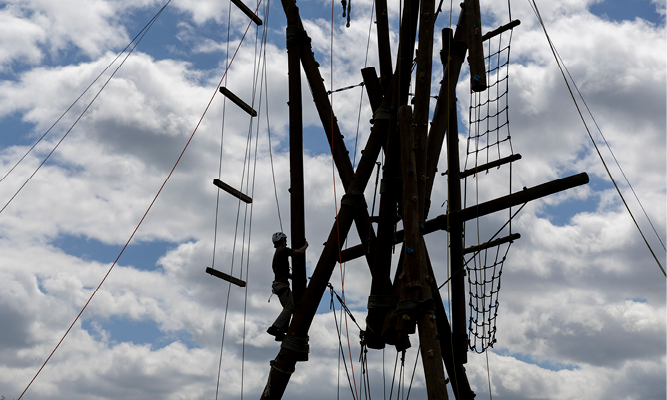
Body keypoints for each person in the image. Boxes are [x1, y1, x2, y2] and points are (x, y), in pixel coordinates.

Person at [267, 232, 308, 341]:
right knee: (290, 307)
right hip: (281, 286)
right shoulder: (282, 251)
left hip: (280, 285)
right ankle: (274, 328)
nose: (286, 242)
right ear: (281, 241)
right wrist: (305, 246)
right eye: (284, 240)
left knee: (291, 306)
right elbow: (299, 252)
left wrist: (297, 278)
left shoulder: (277, 254)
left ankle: (281, 332)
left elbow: (284, 274)